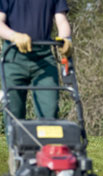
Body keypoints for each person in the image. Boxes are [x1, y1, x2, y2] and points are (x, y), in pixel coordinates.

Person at [0, 1, 72, 174]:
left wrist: (65, 38)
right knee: (14, 115)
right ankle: (18, 163)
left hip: (44, 58)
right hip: (13, 57)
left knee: (50, 110)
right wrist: (14, 36)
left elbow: (61, 21)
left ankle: (47, 162)